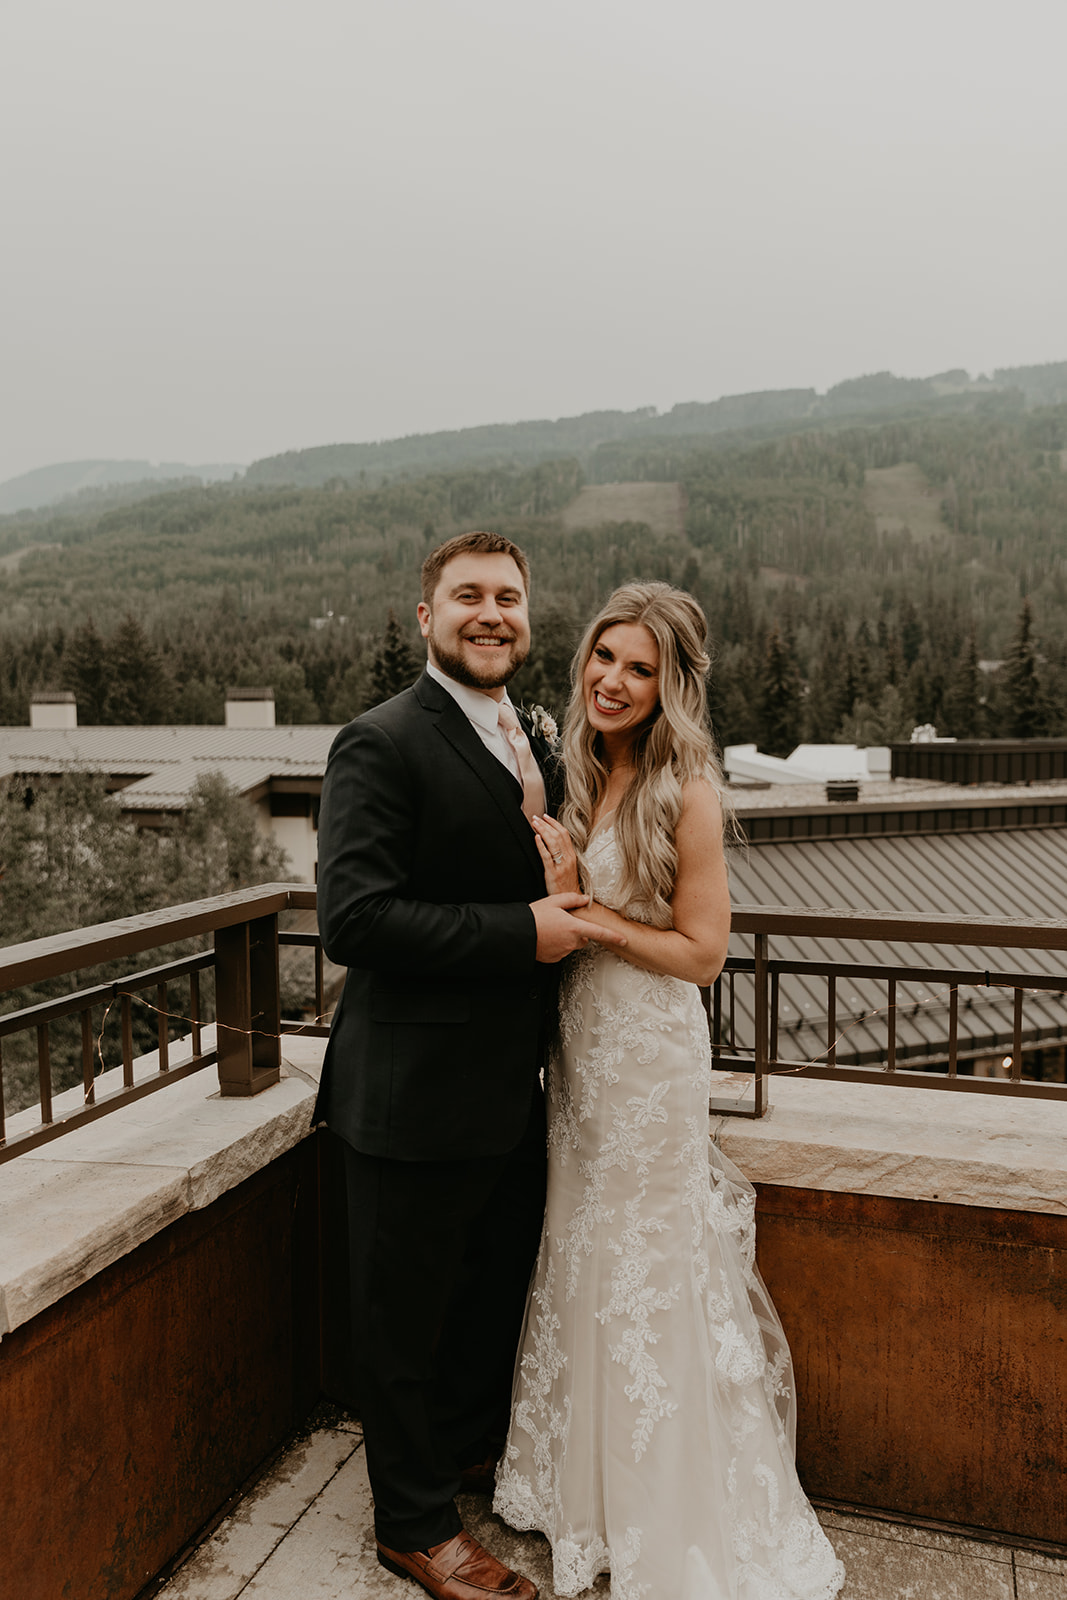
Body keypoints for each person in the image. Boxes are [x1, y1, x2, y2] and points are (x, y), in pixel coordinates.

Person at [493, 583, 846, 1600]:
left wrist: (590, 919)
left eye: (636, 667)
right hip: (583, 1049)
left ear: (669, 685)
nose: (610, 679)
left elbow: (700, 956)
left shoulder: (685, 788)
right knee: (582, 1239)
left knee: (650, 1260)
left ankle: (672, 1501)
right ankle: (583, 1489)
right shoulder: (583, 767)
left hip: (648, 1055)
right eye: (602, 657)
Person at [314, 530, 626, 1600]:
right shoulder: (379, 740)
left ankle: (455, 1460)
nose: (489, 613)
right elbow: (352, 919)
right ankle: (410, 1525)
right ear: (423, 618)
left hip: (504, 1090)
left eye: (507, 596)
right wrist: (518, 932)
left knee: (479, 1297)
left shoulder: (524, 733)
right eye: (466, 597)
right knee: (398, 1321)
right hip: (405, 1097)